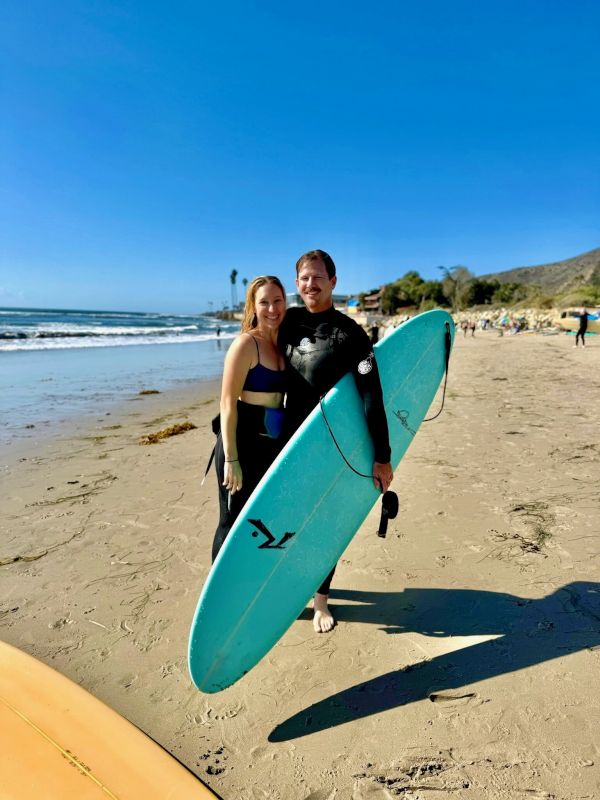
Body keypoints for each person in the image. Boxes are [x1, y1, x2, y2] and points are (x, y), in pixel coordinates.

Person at [279, 249, 393, 634]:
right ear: (296, 283)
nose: (311, 284)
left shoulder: (351, 335)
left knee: (323, 525)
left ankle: (322, 601)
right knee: (285, 522)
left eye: (318, 277)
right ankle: (288, 586)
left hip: (327, 447)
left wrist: (382, 456)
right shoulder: (286, 321)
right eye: (304, 278)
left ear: (333, 281)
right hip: (284, 444)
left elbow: (371, 395)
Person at [212, 276, 287, 561]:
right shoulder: (245, 344)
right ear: (253, 307)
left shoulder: (283, 343)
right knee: (231, 522)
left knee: (261, 521)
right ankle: (220, 598)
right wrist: (231, 459)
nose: (272, 308)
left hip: (270, 443)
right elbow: (228, 403)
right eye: (264, 302)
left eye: (277, 300)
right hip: (241, 444)